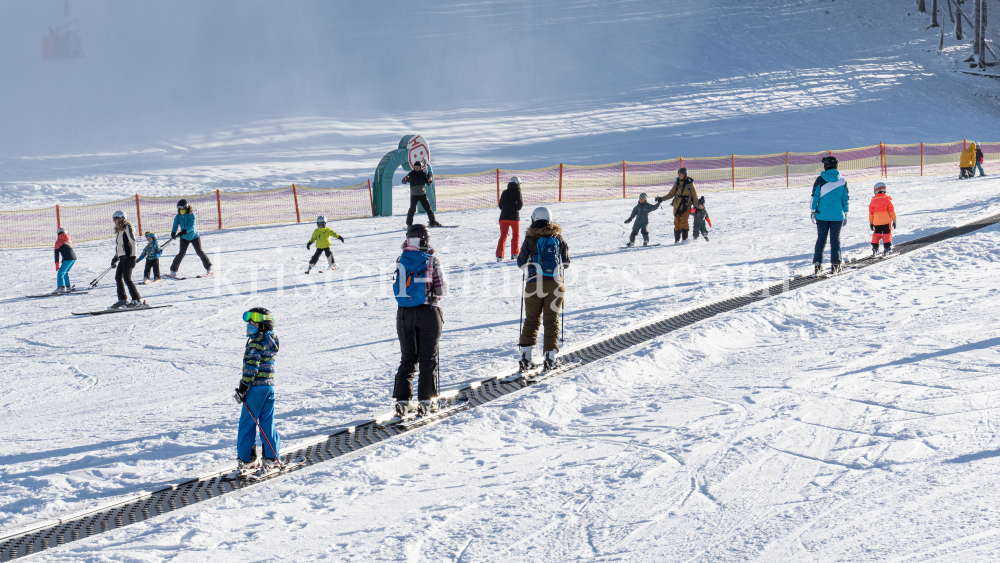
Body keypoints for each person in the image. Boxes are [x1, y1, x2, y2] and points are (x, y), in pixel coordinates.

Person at [392, 224, 448, 417]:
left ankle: (402, 400)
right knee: (428, 358)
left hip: (403, 314)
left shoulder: (401, 259)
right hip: (428, 312)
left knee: (408, 357)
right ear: (426, 239)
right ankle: (426, 401)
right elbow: (441, 290)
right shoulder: (432, 260)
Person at [517, 207, 571, 371]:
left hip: (534, 285)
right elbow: (567, 263)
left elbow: (521, 263)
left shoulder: (529, 239)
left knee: (531, 320)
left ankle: (526, 359)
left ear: (534, 219)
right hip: (555, 285)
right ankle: (550, 358)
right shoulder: (558, 238)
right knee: (551, 321)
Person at [233, 307, 281, 475]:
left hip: (255, 389)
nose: (249, 324)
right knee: (267, 422)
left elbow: (251, 368)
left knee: (247, 423)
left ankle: (247, 460)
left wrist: (243, 388)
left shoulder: (256, 342)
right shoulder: (271, 340)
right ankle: (272, 458)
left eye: (253, 322)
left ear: (263, 324)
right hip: (269, 387)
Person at [811, 156, 850, 275]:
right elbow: (845, 199)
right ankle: (836, 265)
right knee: (835, 240)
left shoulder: (820, 180)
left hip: (821, 216)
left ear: (825, 166)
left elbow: (815, 197)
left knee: (821, 240)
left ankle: (818, 265)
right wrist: (846, 213)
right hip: (838, 216)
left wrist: (813, 211)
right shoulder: (842, 181)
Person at [169, 199, 213, 277]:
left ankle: (209, 267)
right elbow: (175, 224)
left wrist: (184, 231)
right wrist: (173, 232)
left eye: (182, 208)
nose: (180, 210)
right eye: (179, 208)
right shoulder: (178, 215)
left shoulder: (191, 215)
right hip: (184, 237)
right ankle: (173, 270)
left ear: (186, 207)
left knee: (199, 251)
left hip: (194, 236)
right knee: (181, 253)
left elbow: (192, 226)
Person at [110, 210, 143, 309]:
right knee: (118, 277)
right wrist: (115, 258)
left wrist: (133, 257)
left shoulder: (127, 227)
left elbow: (133, 242)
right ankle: (122, 299)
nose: (114, 221)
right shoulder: (119, 230)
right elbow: (120, 246)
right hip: (122, 257)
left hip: (128, 257)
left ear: (122, 218)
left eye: (116, 219)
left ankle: (137, 300)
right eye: (114, 219)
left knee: (127, 278)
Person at [659, 167, 699, 243]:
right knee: (676, 222)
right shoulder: (677, 183)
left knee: (684, 221)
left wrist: (695, 206)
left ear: (684, 174)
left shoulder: (689, 183)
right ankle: (677, 240)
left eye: (680, 174)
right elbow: (671, 194)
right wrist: (661, 199)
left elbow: (694, 195)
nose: (679, 175)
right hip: (676, 206)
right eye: (678, 174)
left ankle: (684, 240)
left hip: (686, 206)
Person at [402, 160, 443, 228]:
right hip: (414, 195)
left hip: (422, 194)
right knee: (412, 209)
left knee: (428, 208)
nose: (416, 168)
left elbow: (429, 183)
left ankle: (432, 222)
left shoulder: (423, 174)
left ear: (420, 167)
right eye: (415, 166)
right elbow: (404, 181)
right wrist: (405, 179)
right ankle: (409, 224)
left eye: (417, 167)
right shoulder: (411, 174)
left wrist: (430, 180)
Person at [496, 176, 524, 261]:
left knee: (503, 236)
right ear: (518, 184)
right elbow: (520, 206)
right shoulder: (518, 192)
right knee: (515, 236)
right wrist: (513, 209)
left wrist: (506, 210)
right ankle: (514, 253)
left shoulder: (504, 192)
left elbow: (500, 206)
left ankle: (499, 255)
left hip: (503, 217)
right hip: (514, 218)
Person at [869, 182, 897, 257]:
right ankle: (887, 249)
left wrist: (871, 222)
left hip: (876, 222)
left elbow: (871, 213)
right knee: (887, 234)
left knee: (876, 235)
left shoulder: (873, 201)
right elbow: (891, 211)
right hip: (886, 221)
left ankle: (875, 249)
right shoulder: (887, 199)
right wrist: (894, 220)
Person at [53, 227, 77, 294]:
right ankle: (68, 287)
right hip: (73, 258)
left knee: (60, 273)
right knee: (65, 272)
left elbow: (57, 253)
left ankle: (61, 287)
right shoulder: (68, 240)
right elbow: (67, 251)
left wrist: (57, 263)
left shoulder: (58, 241)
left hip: (68, 258)